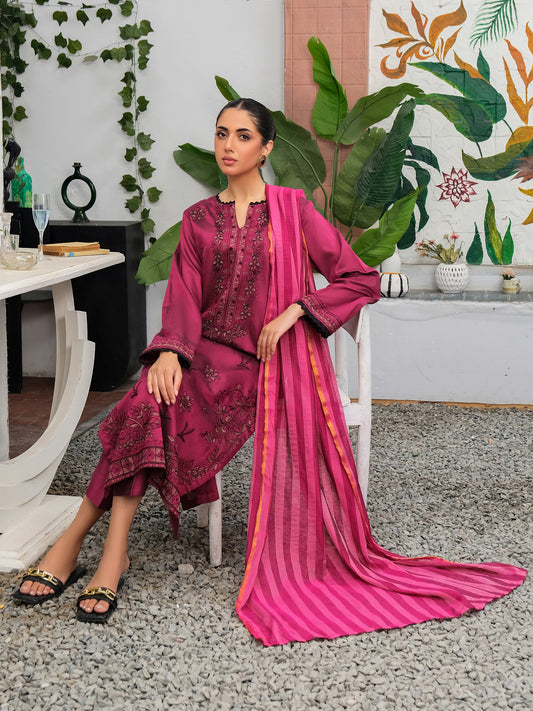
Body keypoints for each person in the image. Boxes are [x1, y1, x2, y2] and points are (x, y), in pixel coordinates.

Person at [14, 99, 526, 643]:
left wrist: (297, 310)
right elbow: (184, 299)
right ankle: (105, 549)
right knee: (147, 400)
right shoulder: (198, 219)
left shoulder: (292, 209)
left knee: (148, 407)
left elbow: (359, 278)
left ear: (266, 148)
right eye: (221, 134)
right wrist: (168, 352)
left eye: (242, 136)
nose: (228, 145)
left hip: (264, 365)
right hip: (203, 354)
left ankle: (85, 549)